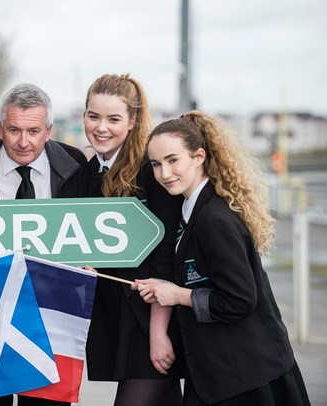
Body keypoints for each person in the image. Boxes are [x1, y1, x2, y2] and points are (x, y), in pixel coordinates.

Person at [134, 111, 311, 405]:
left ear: (199, 156)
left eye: (173, 160)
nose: (164, 173)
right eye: (156, 164)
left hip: (249, 378)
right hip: (222, 375)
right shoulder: (192, 212)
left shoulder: (213, 219)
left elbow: (239, 299)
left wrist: (177, 294)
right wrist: (163, 286)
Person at [0, 83, 87, 405]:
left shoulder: (76, 166)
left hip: (50, 316)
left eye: (34, 131)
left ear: (49, 130)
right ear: (0, 128)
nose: (23, 142)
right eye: (13, 130)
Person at [81, 73, 183, 406]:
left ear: (133, 121)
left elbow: (165, 256)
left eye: (113, 119)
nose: (101, 127)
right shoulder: (88, 172)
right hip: (115, 318)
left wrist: (157, 334)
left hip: (149, 321)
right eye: (93, 116)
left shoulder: (150, 171)